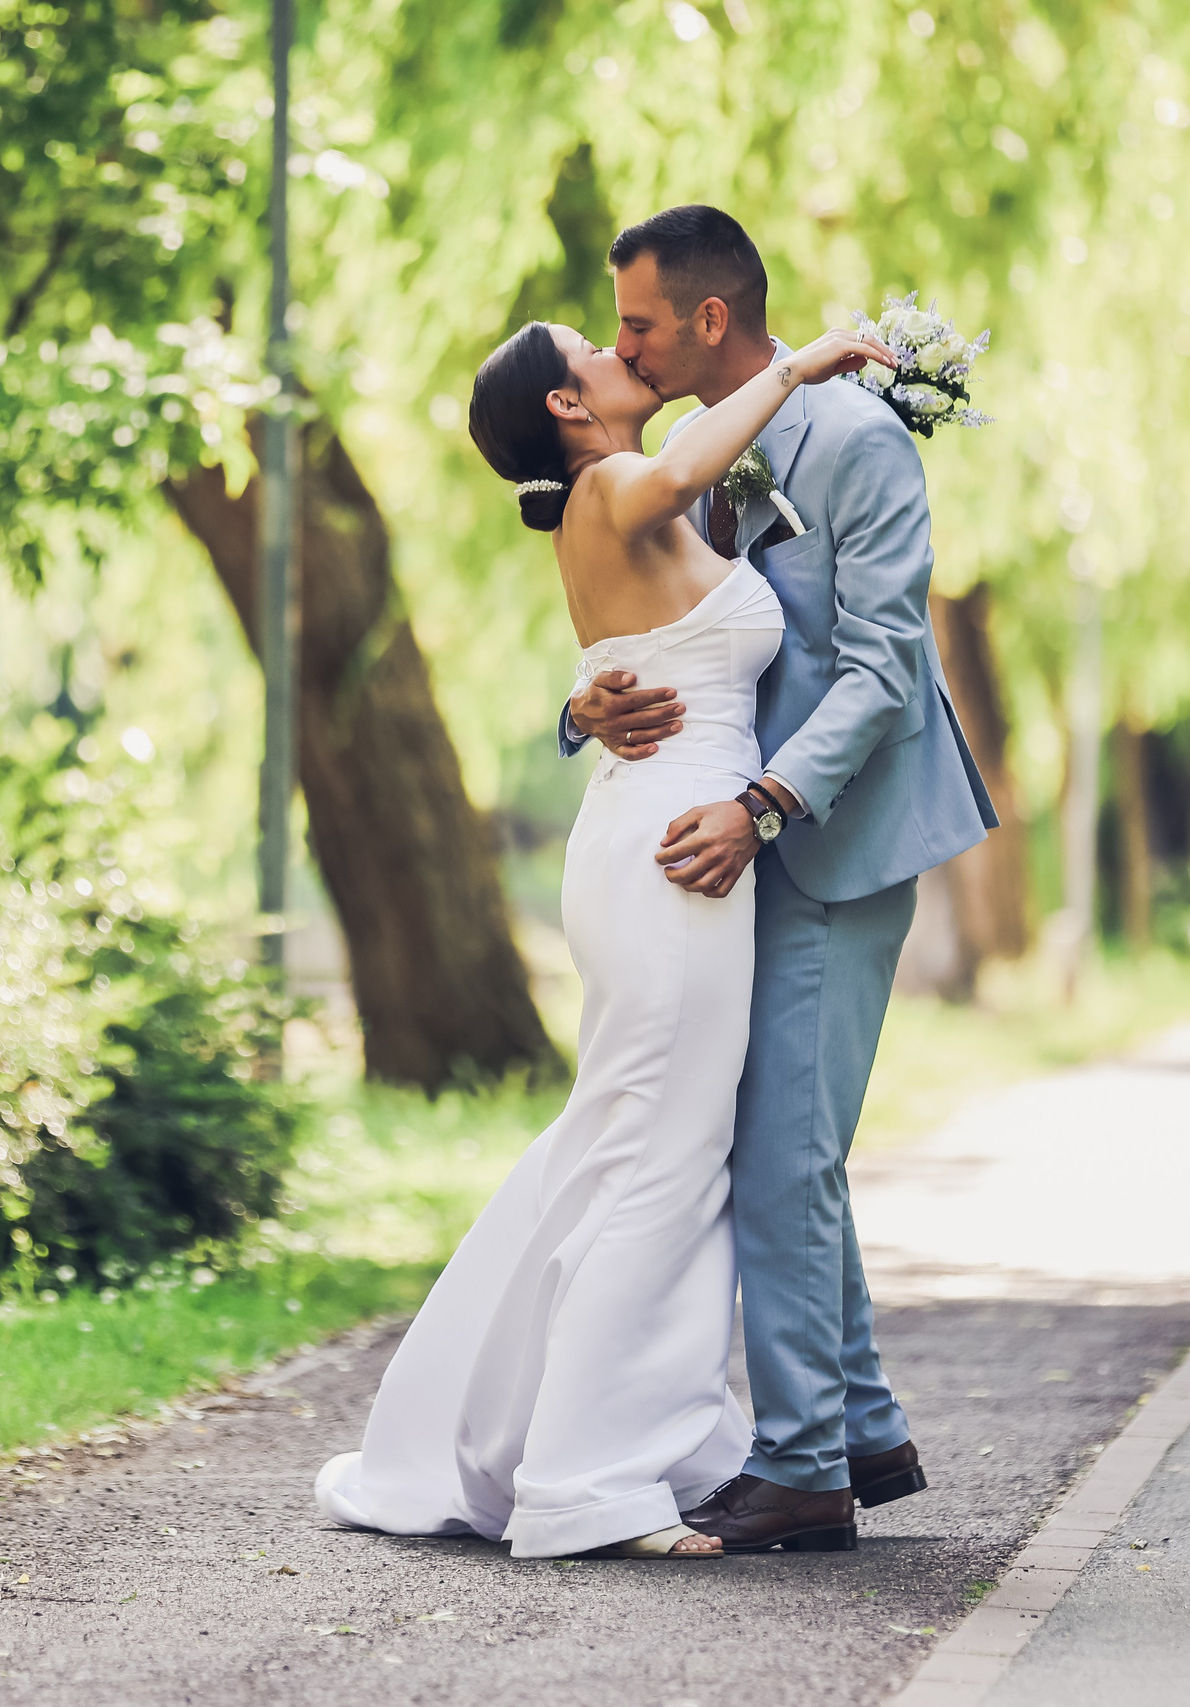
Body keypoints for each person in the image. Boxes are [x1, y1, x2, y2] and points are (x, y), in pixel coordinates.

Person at [311, 300, 900, 1557]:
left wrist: (589, 699)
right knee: (662, 1160)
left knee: (639, 1147)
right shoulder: (628, 480)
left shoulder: (625, 503)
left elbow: (650, 642)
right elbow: (685, 473)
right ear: (569, 407)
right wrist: (805, 360)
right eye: (598, 348)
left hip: (661, 833)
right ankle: (582, 1481)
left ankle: (637, 1437)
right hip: (678, 850)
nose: (623, 355)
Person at [566, 206, 996, 1552]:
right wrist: (592, 710)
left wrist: (759, 804)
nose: (621, 343)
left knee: (783, 1152)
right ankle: (855, 1420)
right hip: (736, 839)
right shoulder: (694, 459)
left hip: (831, 834)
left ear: (706, 318)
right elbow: (643, 622)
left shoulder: (858, 443)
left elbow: (880, 665)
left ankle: (805, 1465)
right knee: (783, 1145)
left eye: (636, 321)